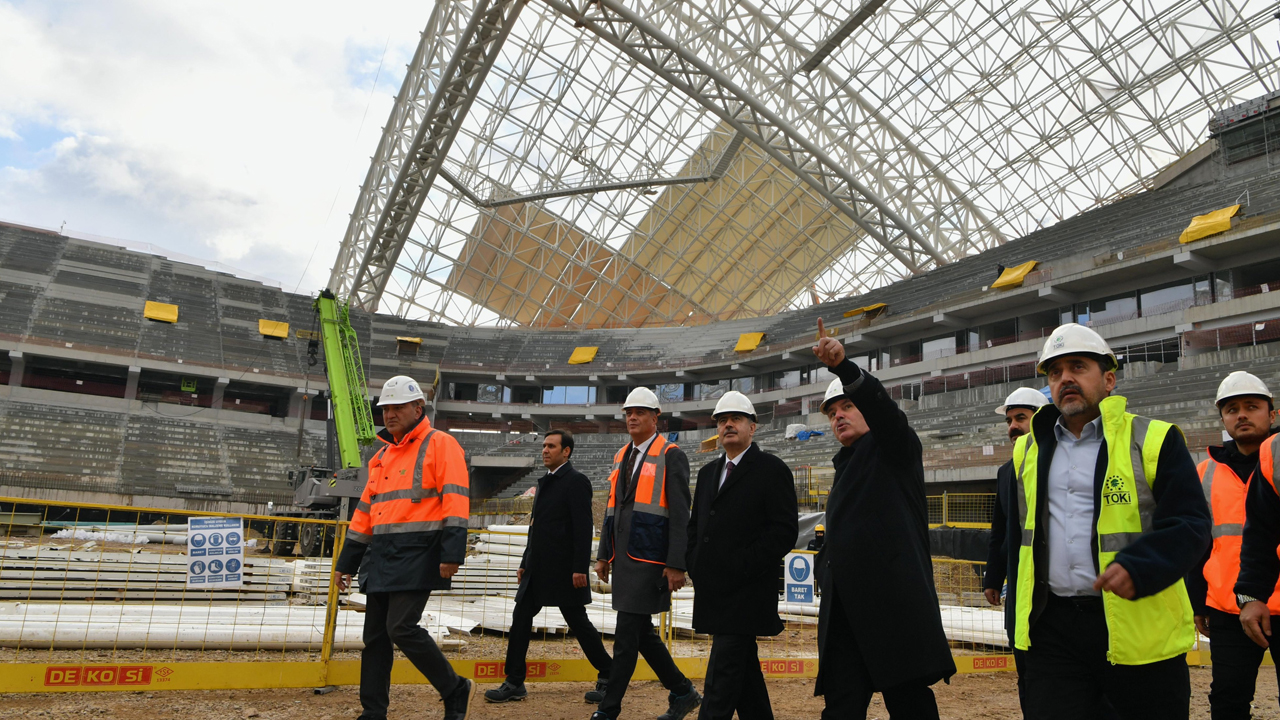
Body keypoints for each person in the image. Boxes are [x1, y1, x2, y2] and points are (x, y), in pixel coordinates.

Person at [1009, 324, 1211, 720]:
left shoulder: (1154, 439)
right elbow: (1024, 539)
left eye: (1078, 366)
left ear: (1108, 380)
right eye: (1054, 372)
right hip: (1052, 631)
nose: (1064, 378)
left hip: (1138, 630)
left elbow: (1191, 524)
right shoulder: (1027, 451)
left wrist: (1140, 567)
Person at [811, 318, 956, 719]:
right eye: (832, 412)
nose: (838, 416)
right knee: (842, 706)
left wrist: (845, 370)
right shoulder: (844, 466)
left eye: (847, 406)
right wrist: (825, 568)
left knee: (909, 704)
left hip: (892, 610)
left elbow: (885, 412)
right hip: (845, 612)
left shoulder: (894, 449)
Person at [332, 375, 473, 720]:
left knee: (401, 628)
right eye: (386, 409)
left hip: (420, 553)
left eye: (398, 407)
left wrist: (452, 553)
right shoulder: (381, 456)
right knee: (375, 638)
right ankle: (373, 711)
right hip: (382, 555)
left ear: (418, 408)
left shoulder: (441, 444)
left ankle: (454, 687)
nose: (390, 414)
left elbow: (455, 500)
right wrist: (346, 562)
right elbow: (364, 514)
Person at [687, 391, 798, 720]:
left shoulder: (772, 470)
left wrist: (741, 566)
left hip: (747, 593)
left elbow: (783, 531)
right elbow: (696, 526)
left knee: (721, 680)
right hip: (714, 592)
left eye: (736, 419)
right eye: (722, 420)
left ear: (753, 427)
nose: (728, 425)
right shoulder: (708, 473)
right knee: (745, 678)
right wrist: (695, 563)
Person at [592, 387, 700, 720]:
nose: (633, 417)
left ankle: (608, 709)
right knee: (641, 634)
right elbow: (612, 508)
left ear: (656, 418)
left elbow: (681, 515)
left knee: (626, 636)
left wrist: (676, 564)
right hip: (624, 559)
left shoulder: (671, 454)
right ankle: (682, 691)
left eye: (640, 412)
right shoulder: (621, 455)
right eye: (629, 413)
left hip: (650, 561)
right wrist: (604, 554)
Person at [485, 429, 613, 705]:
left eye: (551, 446)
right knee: (520, 618)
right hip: (538, 568)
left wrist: (580, 567)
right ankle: (514, 681)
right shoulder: (545, 482)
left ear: (566, 452)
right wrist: (525, 562)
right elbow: (535, 527)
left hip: (565, 569)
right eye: (544, 445)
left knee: (578, 622)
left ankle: (609, 674)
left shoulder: (576, 481)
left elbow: (583, 528)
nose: (545, 450)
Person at [1185, 371, 1278, 719]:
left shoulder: (1278, 462)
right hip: (1229, 607)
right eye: (1232, 409)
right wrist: (1198, 602)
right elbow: (1199, 544)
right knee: (1227, 699)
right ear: (1222, 419)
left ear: (1272, 414)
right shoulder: (1204, 472)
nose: (1241, 415)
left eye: (1252, 407)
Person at [983, 386, 1050, 713]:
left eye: (1020, 418)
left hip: (1051, 594)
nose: (1013, 427)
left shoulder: (1057, 463)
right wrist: (993, 579)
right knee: (1026, 675)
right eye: (1009, 420)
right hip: (1018, 595)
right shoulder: (1006, 472)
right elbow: (1001, 531)